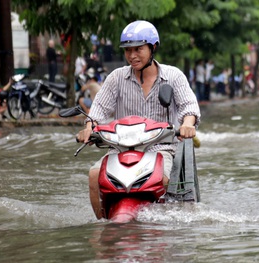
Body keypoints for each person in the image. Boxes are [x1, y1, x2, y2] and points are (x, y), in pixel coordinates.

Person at [76, 20, 201, 219]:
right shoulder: (116, 78)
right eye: (128, 50)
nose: (132, 56)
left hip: (160, 149)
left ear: (153, 48)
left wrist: (187, 124)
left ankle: (164, 222)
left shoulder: (173, 76)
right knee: (94, 175)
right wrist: (89, 127)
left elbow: (189, 106)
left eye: (138, 49)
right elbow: (98, 109)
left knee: (164, 179)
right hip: (120, 149)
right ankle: (103, 226)